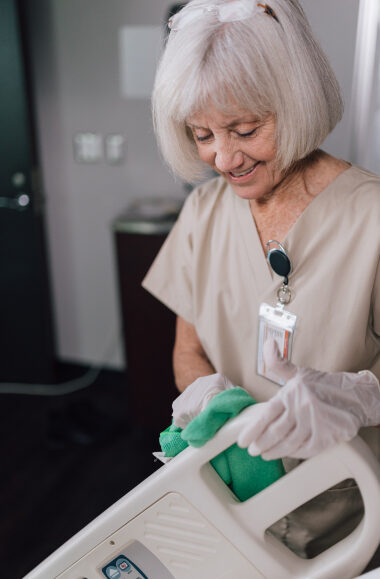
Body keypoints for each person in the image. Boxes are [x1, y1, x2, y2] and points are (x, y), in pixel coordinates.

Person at [142, 0, 380, 564]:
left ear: (295, 104)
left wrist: (359, 396)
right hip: (229, 510)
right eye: (201, 135)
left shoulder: (371, 219)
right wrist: (205, 394)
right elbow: (189, 345)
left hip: (350, 523)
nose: (224, 158)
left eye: (245, 129)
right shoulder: (203, 212)